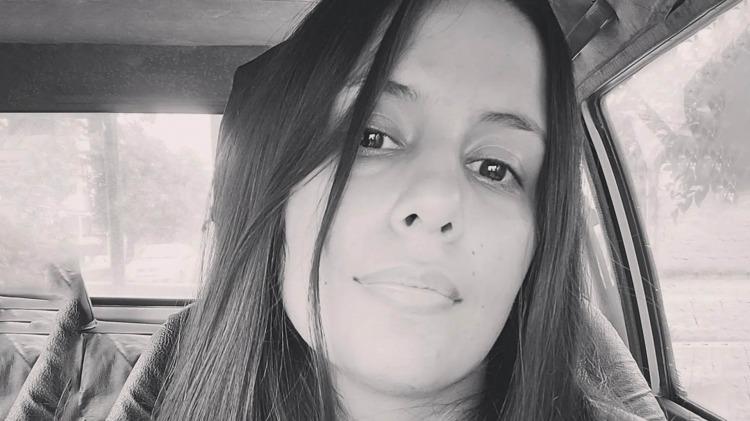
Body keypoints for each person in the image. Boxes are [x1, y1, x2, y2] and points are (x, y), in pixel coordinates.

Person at [145, 0, 664, 420]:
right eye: (370, 137)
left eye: (494, 168)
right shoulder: (175, 377)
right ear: (279, 191)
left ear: (540, 241)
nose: (436, 200)